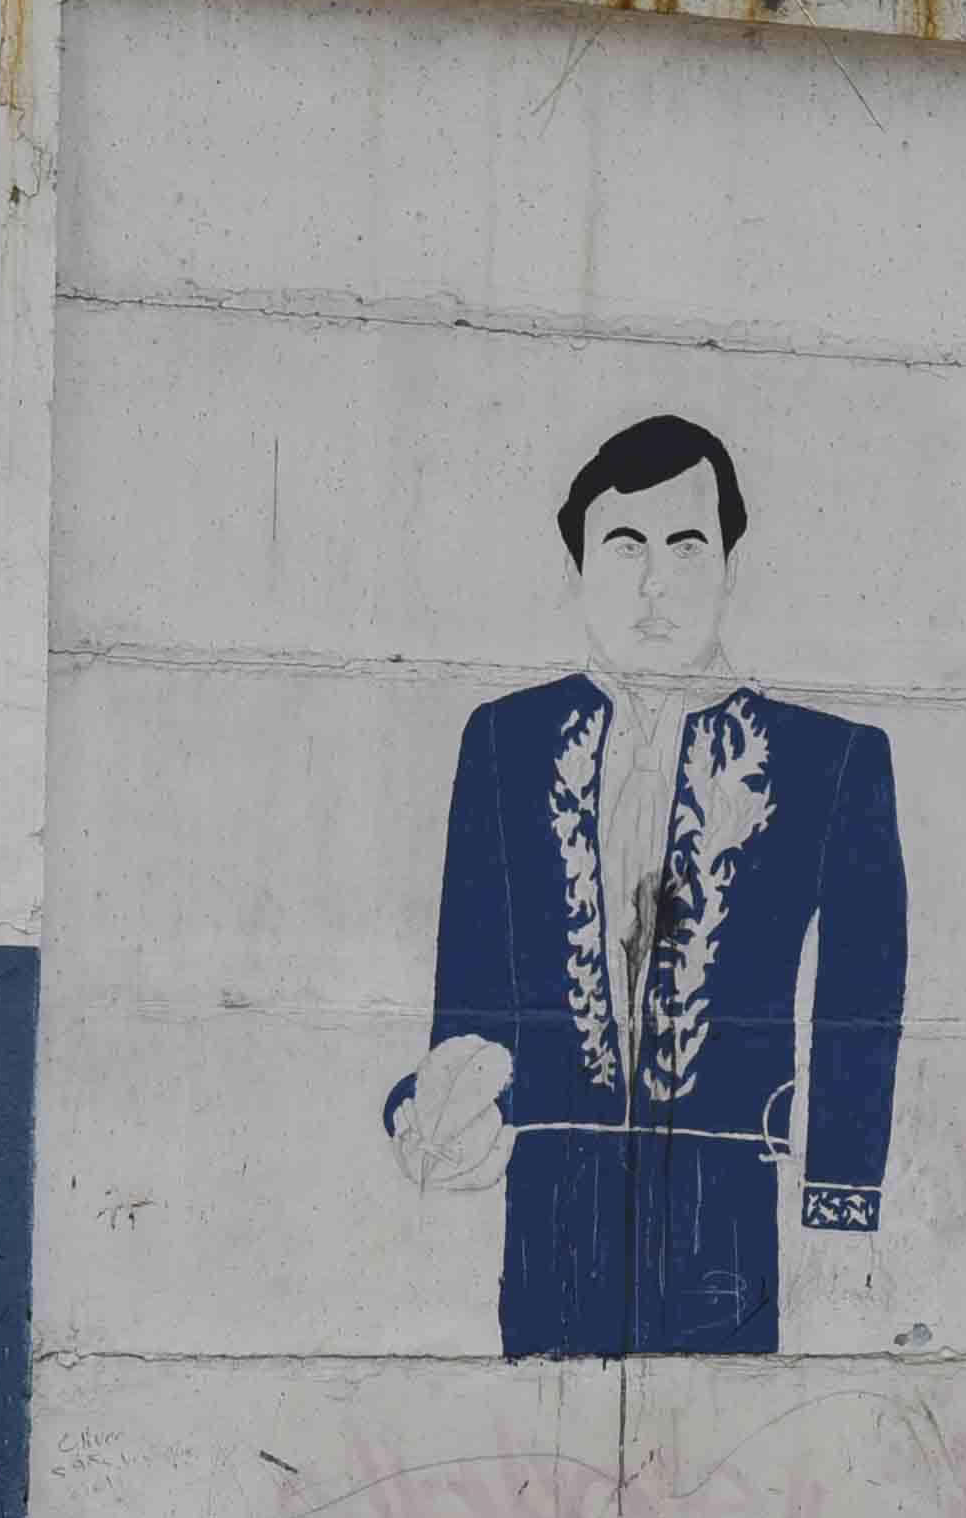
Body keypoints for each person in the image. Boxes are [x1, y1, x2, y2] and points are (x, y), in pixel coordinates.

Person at [385, 414, 908, 1358]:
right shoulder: (504, 742)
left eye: (686, 545)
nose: (656, 583)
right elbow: (470, 978)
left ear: (731, 566)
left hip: (732, 1193)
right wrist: (438, 1110)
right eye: (624, 548)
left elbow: (861, 1000)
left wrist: (841, 1205)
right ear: (579, 568)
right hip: (548, 1193)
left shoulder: (830, 760)